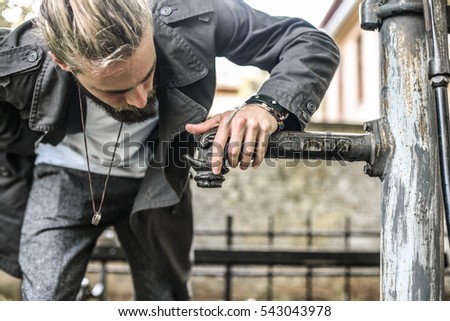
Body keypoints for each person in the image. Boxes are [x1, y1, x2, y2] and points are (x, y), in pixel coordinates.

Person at [0, 0, 339, 300]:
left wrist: (267, 107)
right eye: (115, 91)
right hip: (62, 177)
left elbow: (309, 41)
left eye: (146, 76)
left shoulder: (195, 11)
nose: (138, 98)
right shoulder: (19, 57)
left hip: (157, 181)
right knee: (44, 298)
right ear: (62, 62)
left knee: (163, 302)